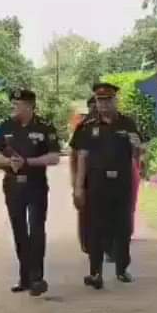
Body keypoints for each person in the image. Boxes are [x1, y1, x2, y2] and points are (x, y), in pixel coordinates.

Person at [0, 89, 61, 296]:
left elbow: (54, 156)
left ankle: (37, 277)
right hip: (13, 186)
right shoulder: (6, 126)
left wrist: (28, 162)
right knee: (19, 230)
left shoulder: (44, 127)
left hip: (36, 185)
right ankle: (25, 277)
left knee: (36, 230)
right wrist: (8, 162)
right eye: (13, 104)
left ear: (29, 106)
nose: (14, 108)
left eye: (17, 104)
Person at [73, 82, 141, 289]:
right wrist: (78, 187)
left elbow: (137, 155)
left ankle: (122, 269)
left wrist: (137, 147)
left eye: (107, 100)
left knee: (123, 226)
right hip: (96, 184)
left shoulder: (128, 123)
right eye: (99, 100)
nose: (103, 104)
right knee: (95, 229)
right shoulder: (87, 126)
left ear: (115, 101)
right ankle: (95, 273)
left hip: (122, 183)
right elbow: (81, 158)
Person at [69, 96, 95, 255]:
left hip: (105, 179)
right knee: (84, 213)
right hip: (85, 179)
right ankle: (86, 243)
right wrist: (74, 182)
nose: (96, 110)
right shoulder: (82, 128)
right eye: (93, 107)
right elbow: (74, 156)